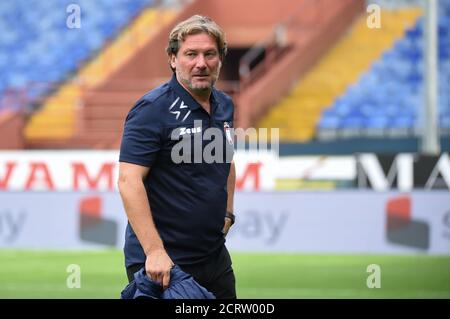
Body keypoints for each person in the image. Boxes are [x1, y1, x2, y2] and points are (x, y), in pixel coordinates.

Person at [118, 15, 236, 299]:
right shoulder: (152, 109)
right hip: (164, 262)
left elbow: (227, 162)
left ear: (220, 59)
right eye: (190, 54)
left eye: (210, 54)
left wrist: (228, 213)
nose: (201, 63)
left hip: (213, 256)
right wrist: (155, 251)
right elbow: (128, 180)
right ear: (173, 59)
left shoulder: (225, 106)